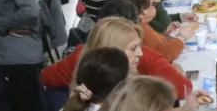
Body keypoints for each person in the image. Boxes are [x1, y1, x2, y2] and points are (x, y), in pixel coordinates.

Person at [42, 16, 192, 99]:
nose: (140, 52)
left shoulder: (82, 55)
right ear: (113, 51)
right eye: (134, 48)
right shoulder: (104, 100)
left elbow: (46, 77)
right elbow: (184, 89)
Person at [117, 0, 191, 62]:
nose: (154, 7)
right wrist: (182, 36)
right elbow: (166, 53)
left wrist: (164, 35)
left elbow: (154, 44)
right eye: (153, 4)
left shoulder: (135, 23)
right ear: (143, 12)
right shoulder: (139, 27)